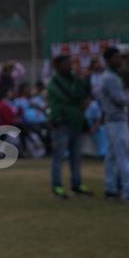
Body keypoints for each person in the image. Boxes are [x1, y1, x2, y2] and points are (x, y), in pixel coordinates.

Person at [47, 55, 92, 199]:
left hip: (76, 121)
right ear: (57, 65)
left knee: (76, 156)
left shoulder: (74, 80)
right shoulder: (54, 82)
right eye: (66, 63)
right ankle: (57, 186)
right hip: (62, 121)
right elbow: (70, 97)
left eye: (70, 63)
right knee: (58, 157)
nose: (69, 66)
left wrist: (79, 81)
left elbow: (82, 95)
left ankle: (77, 184)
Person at [100, 47, 129, 201]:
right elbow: (120, 99)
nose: (119, 60)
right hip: (117, 119)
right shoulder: (111, 78)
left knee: (112, 156)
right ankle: (128, 192)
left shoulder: (111, 76)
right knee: (123, 156)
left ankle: (111, 188)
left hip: (112, 119)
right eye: (116, 57)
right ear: (108, 60)